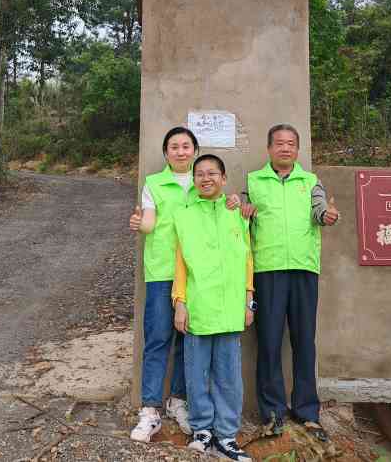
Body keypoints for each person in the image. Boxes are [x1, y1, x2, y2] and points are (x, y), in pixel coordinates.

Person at [128, 127, 241, 442]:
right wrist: (140, 223)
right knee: (157, 339)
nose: (180, 151)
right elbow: (149, 220)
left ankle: (178, 401)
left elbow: (222, 209)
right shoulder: (154, 183)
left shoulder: (201, 182)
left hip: (194, 274)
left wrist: (235, 202)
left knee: (186, 340)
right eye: (174, 147)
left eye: (186, 146)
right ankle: (150, 410)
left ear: (195, 150)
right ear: (166, 153)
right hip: (162, 271)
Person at [243, 124, 339, 441]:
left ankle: (307, 411)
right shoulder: (253, 182)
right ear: (269, 148)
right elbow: (240, 212)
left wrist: (327, 215)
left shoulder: (310, 181)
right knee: (269, 342)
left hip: (303, 268)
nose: (285, 148)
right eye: (279, 143)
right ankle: (272, 413)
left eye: (291, 144)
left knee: (304, 341)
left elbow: (320, 209)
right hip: (267, 269)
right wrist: (243, 211)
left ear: (297, 149)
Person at [172, 154, 254, 462]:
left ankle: (227, 435)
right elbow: (180, 264)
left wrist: (249, 300)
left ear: (223, 178)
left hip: (231, 307)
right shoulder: (184, 215)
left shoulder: (237, 213)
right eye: (200, 174)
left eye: (212, 173)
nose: (206, 179)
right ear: (194, 180)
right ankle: (202, 430)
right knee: (196, 374)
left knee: (229, 376)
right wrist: (180, 303)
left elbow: (247, 260)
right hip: (199, 305)